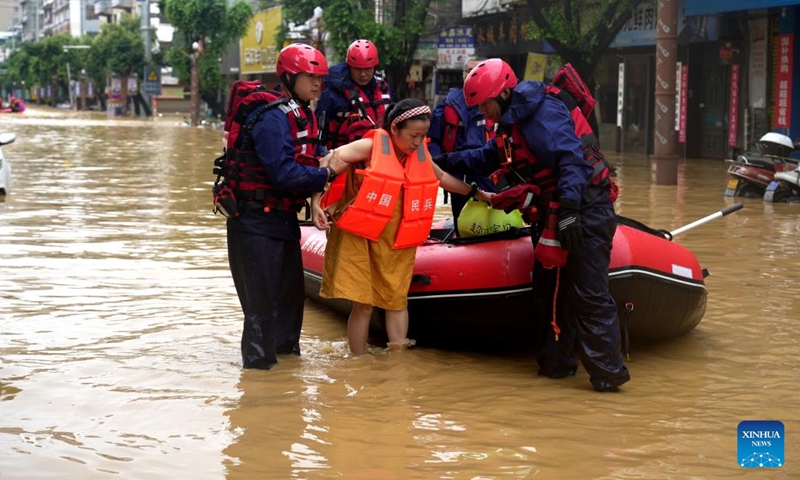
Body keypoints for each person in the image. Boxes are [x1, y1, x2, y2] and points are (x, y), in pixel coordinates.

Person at [442, 59, 630, 392]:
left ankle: (609, 379)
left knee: (588, 293)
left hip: (583, 209)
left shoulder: (542, 113)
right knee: (548, 293)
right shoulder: (511, 122)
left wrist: (571, 210)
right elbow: (490, 156)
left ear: (503, 93)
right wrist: (443, 161)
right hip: (552, 214)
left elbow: (572, 159)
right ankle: (556, 367)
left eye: (486, 104)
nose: (484, 113)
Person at [314, 98, 494, 356]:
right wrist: (316, 201)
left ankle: (398, 363)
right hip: (359, 234)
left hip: (395, 238)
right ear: (394, 129)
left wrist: (478, 194)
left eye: (423, 136)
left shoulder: (418, 153)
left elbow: (441, 177)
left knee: (397, 301)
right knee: (363, 305)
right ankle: (358, 364)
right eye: (413, 136)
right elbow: (332, 159)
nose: (419, 142)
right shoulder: (370, 146)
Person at [223, 43, 347, 370]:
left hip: (282, 221)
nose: (318, 83)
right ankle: (259, 382)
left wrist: (317, 198)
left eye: (321, 77)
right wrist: (327, 174)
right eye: (310, 76)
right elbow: (283, 173)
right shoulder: (273, 118)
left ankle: (288, 380)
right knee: (261, 309)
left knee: (291, 303)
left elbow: (301, 165)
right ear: (290, 76)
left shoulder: (301, 111)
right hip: (254, 224)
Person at [427, 57, 496, 233]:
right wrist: (438, 165)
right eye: (469, 71)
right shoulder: (448, 105)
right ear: (463, 74)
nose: (473, 75)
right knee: (463, 223)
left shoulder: (496, 104)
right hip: (459, 173)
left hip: (490, 173)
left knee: (496, 221)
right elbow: (432, 139)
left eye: (479, 71)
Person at [315, 39, 394, 150]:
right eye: (357, 69)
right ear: (349, 67)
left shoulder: (385, 89)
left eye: (367, 69)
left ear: (375, 67)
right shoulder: (331, 95)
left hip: (380, 155)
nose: (362, 74)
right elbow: (318, 133)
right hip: (343, 159)